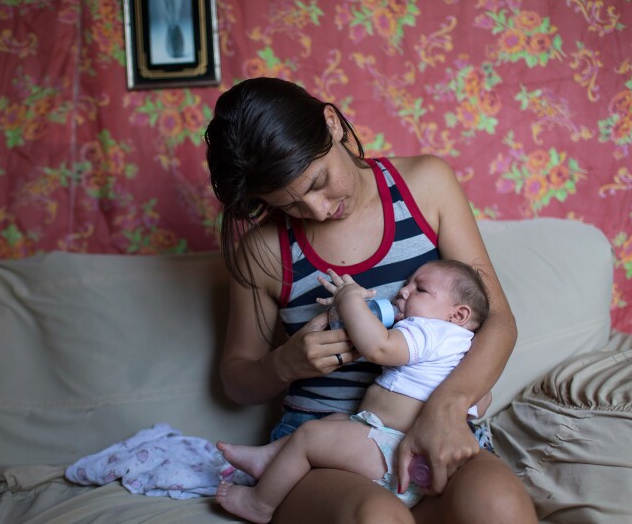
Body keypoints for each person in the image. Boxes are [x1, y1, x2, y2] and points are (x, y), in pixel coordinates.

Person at [204, 76, 536, 523]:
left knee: (499, 505)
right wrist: (285, 364)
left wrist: (447, 408)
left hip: (436, 424)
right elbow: (236, 381)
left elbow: (498, 320)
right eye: (290, 205)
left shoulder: (425, 186)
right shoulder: (264, 252)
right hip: (326, 453)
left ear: (332, 124)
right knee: (376, 518)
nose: (318, 210)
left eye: (319, 182)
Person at [214, 259, 490, 523]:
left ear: (458, 314)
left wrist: (350, 301)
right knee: (335, 421)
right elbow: (482, 400)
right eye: (406, 284)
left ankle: (260, 504)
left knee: (311, 435)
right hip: (395, 442)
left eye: (420, 289)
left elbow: (379, 347)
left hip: (392, 447)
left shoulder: (430, 330)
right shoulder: (465, 350)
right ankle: (269, 458)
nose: (402, 291)